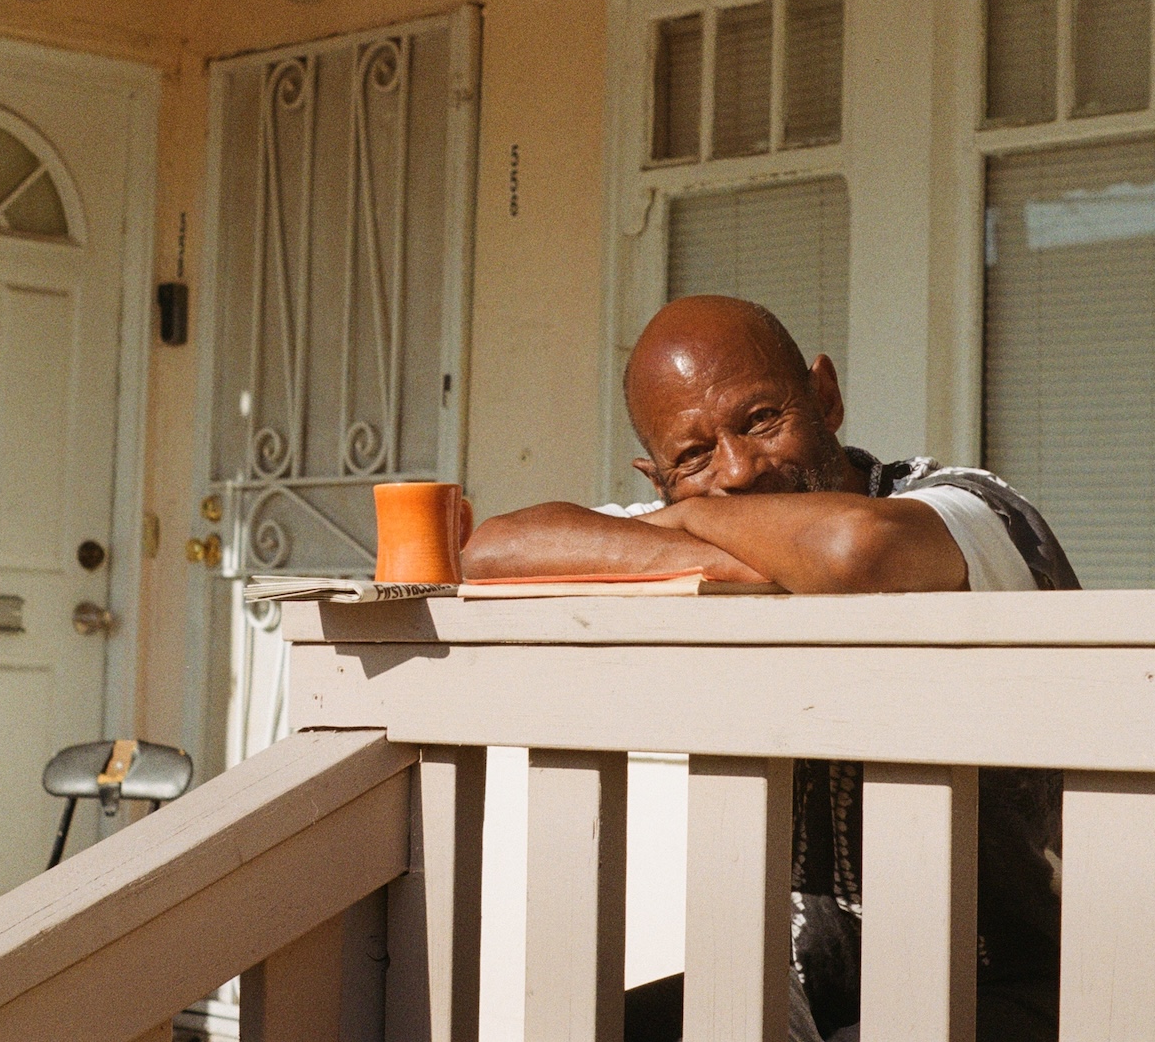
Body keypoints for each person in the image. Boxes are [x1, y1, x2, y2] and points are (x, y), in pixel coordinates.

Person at [462, 295, 1080, 1042]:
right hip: (806, 987)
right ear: (654, 475)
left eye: (760, 421)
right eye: (692, 457)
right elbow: (493, 550)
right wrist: (763, 553)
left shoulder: (974, 509)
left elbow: (858, 553)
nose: (739, 470)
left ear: (825, 395)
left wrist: (692, 515)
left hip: (1030, 983)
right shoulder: (702, 500)